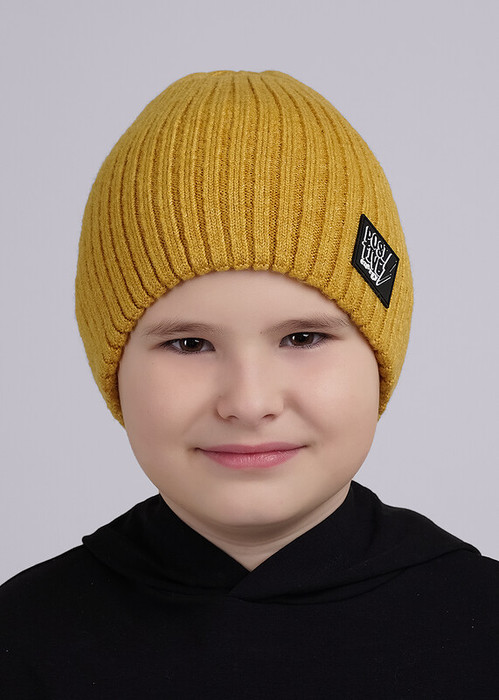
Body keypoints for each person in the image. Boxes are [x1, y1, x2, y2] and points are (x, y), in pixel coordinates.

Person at [1, 70, 498, 699]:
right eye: (189, 344)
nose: (250, 402)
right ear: (113, 368)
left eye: (303, 338)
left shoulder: (482, 629)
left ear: (380, 357)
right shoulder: (23, 641)